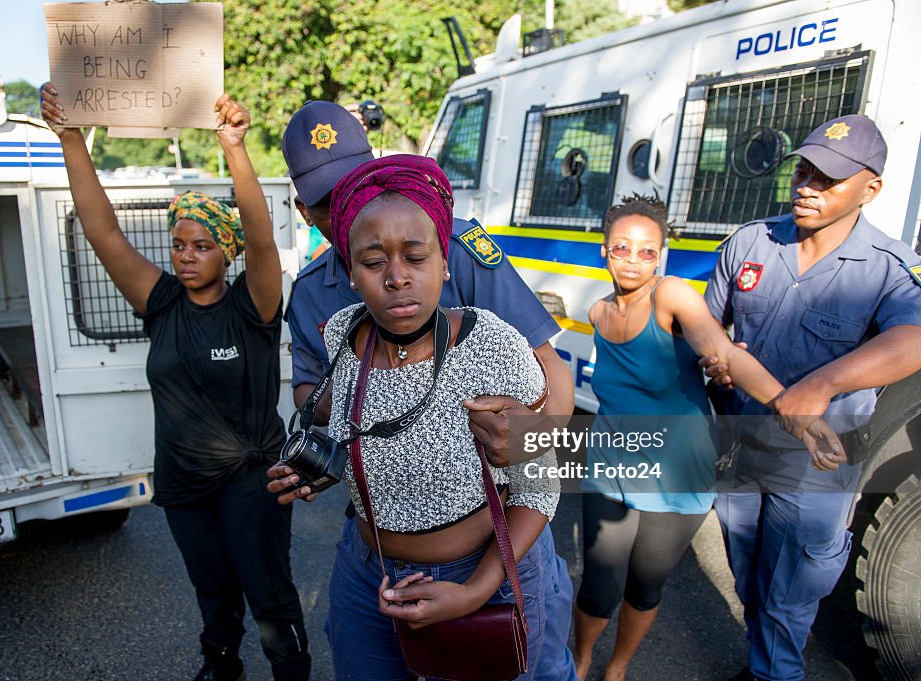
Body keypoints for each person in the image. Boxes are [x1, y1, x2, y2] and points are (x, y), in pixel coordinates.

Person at [269, 101, 578, 679]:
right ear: (303, 208)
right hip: (374, 561)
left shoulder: (457, 257)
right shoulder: (324, 308)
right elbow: (317, 405)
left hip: (489, 547)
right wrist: (338, 455)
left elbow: (546, 391)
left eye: (415, 256)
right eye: (327, 202)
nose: (351, 208)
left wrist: (530, 437)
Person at [39, 85, 311, 681]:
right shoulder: (161, 303)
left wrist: (233, 148)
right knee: (212, 593)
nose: (186, 257)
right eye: (179, 245)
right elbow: (103, 232)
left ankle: (292, 673)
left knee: (268, 596)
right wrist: (69, 138)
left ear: (227, 253)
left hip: (249, 478)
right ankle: (221, 669)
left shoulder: (253, 308)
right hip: (185, 483)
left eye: (202, 246)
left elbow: (263, 238)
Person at [571, 194, 841, 681]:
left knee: (644, 586)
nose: (633, 260)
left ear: (662, 257)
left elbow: (722, 351)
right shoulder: (596, 312)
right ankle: (579, 659)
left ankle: (616, 669)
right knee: (598, 586)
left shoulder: (671, 295)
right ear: (605, 251)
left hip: (680, 471)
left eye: (647, 251)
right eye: (622, 248)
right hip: (613, 463)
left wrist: (790, 410)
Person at [701, 114, 921, 681]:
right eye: (804, 170)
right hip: (742, 443)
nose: (807, 186)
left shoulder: (887, 268)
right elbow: (706, 325)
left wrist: (822, 385)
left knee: (794, 582)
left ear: (870, 189)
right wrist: (714, 361)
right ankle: (762, 658)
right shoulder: (752, 241)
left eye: (829, 179)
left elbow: (914, 339)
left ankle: (777, 673)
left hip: (818, 461)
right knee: (746, 566)